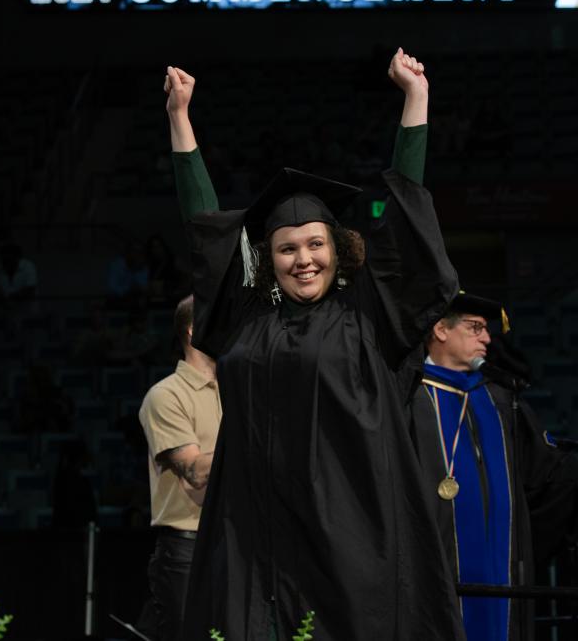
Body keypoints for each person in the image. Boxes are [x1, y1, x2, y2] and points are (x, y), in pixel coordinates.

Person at [167, 49, 465, 641]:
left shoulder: (368, 315)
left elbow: (406, 209)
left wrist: (415, 99)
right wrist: (180, 117)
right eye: (286, 249)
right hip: (259, 529)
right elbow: (205, 227)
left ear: (337, 247)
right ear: (269, 260)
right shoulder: (248, 317)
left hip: (353, 528)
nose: (303, 260)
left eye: (315, 245)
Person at [410, 292, 578, 641]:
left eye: (486, 330)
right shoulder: (407, 400)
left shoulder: (500, 400)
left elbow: (542, 478)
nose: (487, 338)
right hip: (431, 577)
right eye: (476, 328)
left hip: (502, 574)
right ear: (441, 330)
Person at [137, 295, 221, 641]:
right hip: (188, 549)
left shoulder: (237, 388)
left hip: (239, 542)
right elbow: (194, 471)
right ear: (192, 329)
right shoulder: (166, 395)